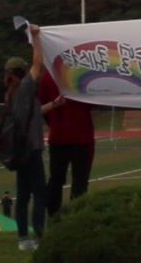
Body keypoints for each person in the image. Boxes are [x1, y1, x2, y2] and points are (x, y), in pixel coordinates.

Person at [4, 24, 49, 251]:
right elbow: (38, 63)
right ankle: (40, 235)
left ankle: (23, 238)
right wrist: (36, 37)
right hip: (32, 149)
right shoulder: (26, 87)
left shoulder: (10, 94)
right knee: (40, 194)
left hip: (18, 151)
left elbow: (31, 115)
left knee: (22, 196)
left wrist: (53, 105)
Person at [38, 68, 95, 217]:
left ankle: (53, 219)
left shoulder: (49, 75)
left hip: (59, 136)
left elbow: (44, 104)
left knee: (56, 181)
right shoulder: (83, 73)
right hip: (82, 136)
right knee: (80, 183)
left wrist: (56, 124)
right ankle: (75, 219)